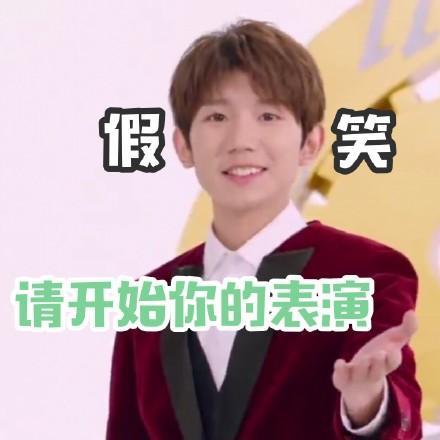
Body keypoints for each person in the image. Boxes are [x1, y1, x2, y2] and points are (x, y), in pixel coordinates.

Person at [106, 19, 422, 439]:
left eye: (268, 115)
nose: (242, 139)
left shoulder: (367, 273)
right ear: (183, 145)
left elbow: (399, 417)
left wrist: (367, 405)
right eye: (217, 116)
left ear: (310, 143)